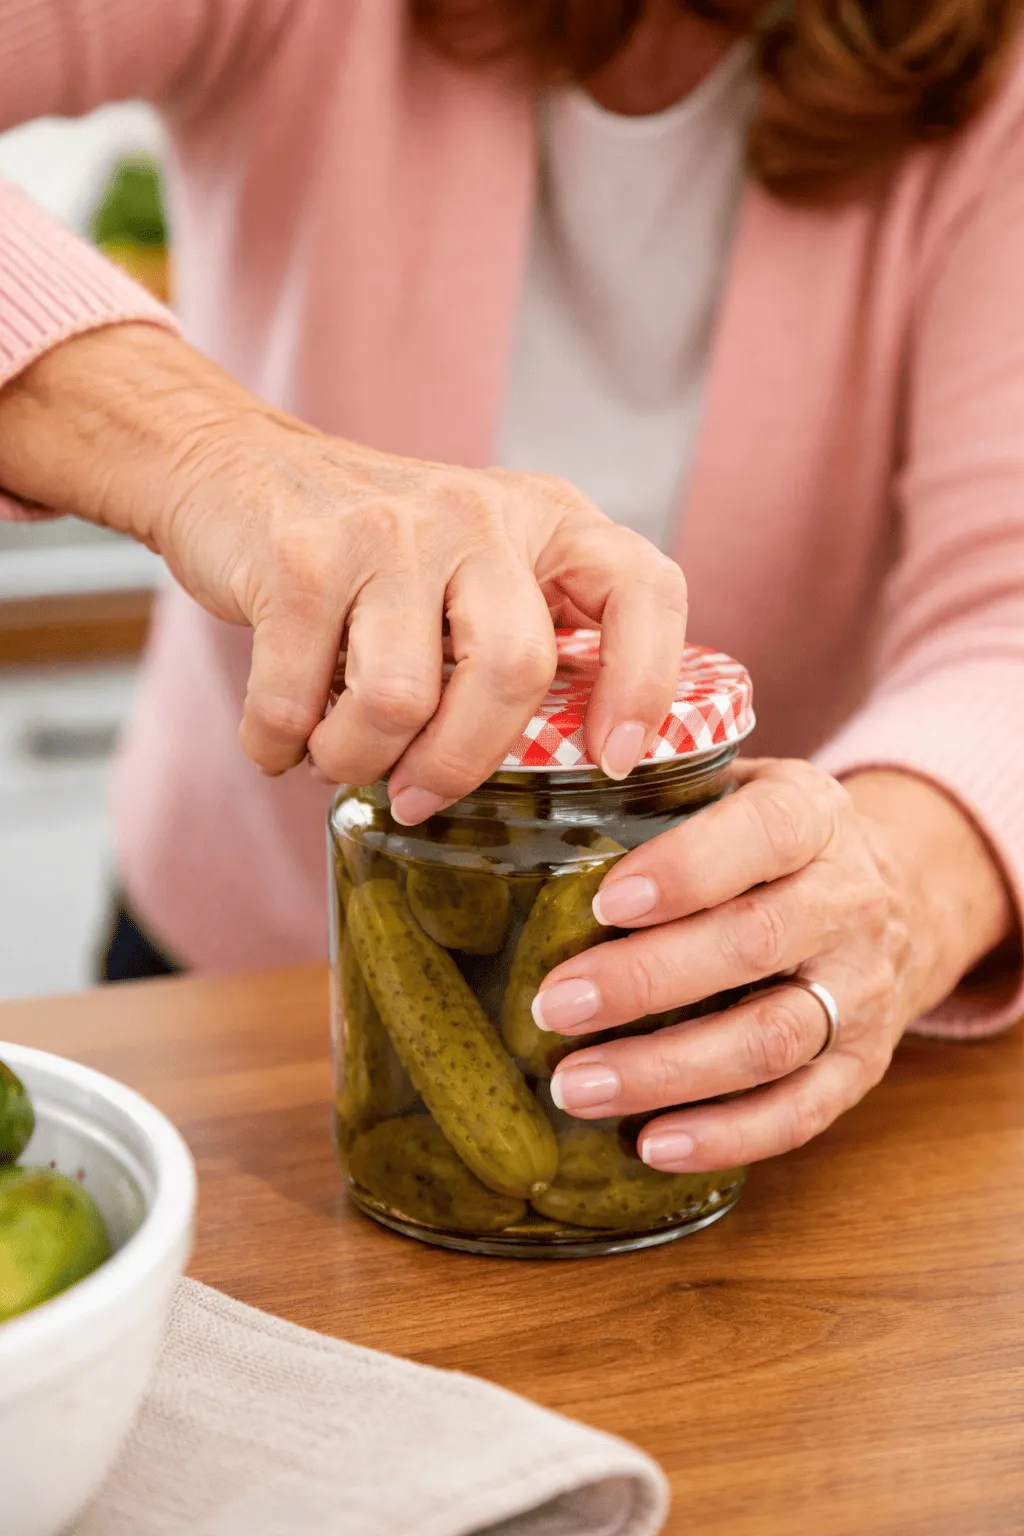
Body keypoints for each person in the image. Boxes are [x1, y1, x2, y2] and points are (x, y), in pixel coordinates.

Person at [0, 0, 1020, 1178]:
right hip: (229, 980)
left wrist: (893, 878)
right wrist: (210, 447)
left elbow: (1009, 614)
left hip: (720, 1041)